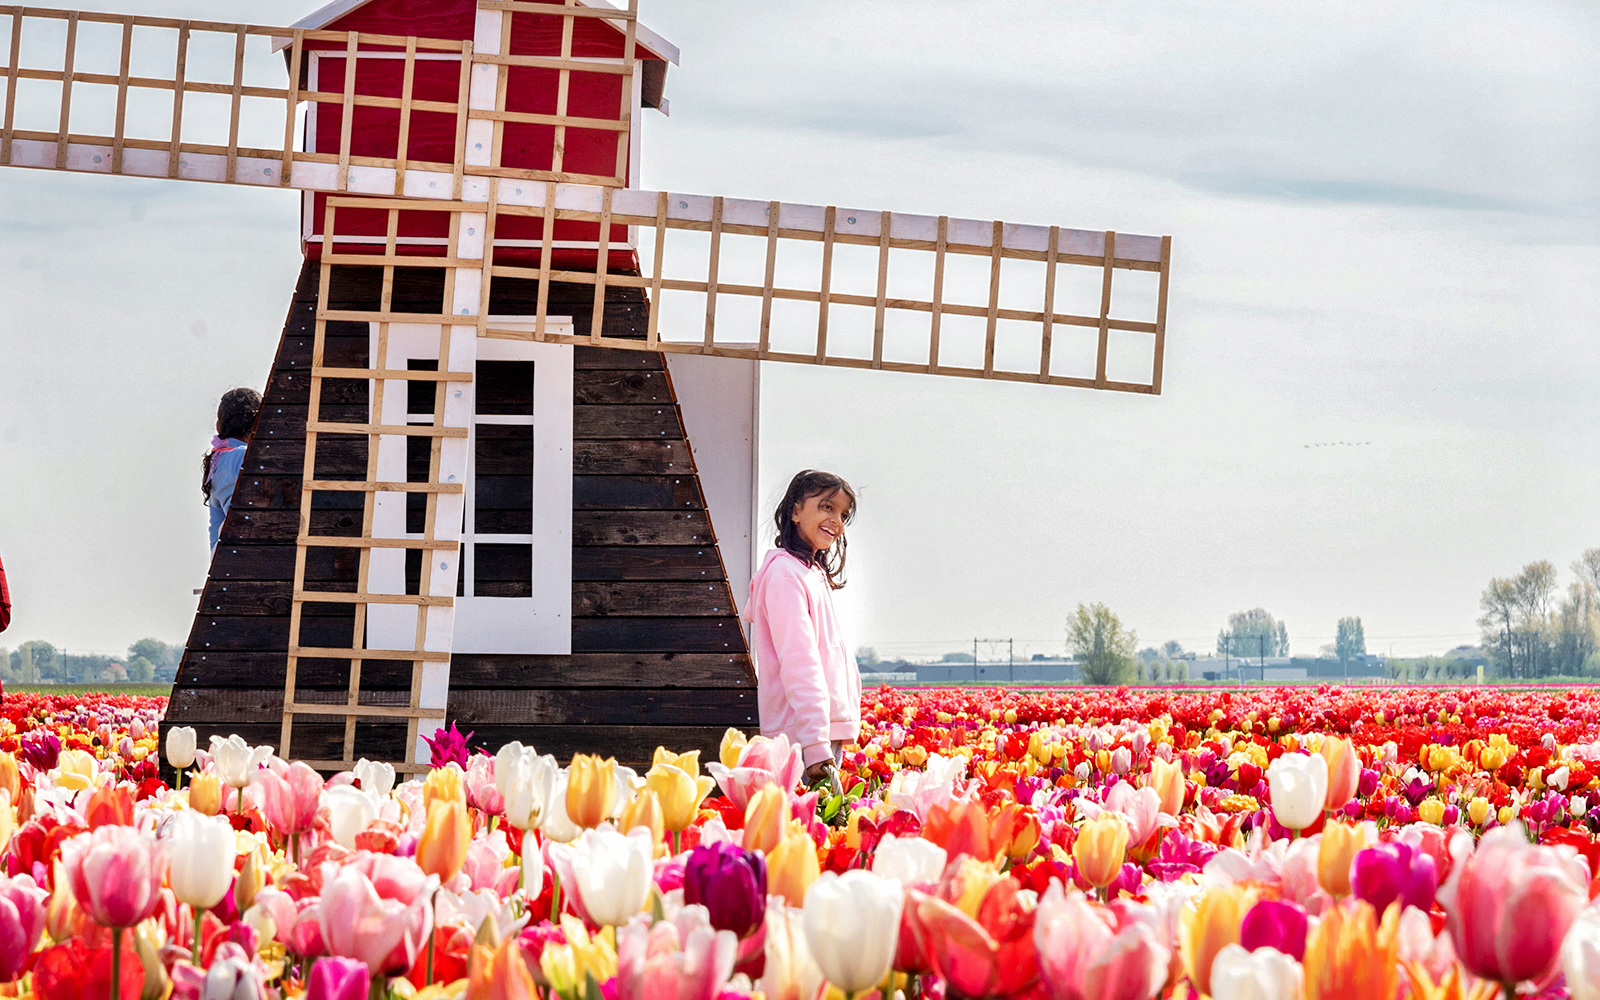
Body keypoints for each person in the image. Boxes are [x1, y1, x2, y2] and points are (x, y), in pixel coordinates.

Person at [745, 469, 860, 789]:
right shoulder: (785, 574)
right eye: (827, 506)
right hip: (800, 739)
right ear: (795, 511)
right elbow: (801, 666)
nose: (836, 520)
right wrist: (815, 746)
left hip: (816, 733)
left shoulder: (810, 572)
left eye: (843, 514)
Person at [203, 387, 262, 551]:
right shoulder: (247, 457)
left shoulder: (217, 460)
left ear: (218, 426)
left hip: (222, 556)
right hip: (245, 550)